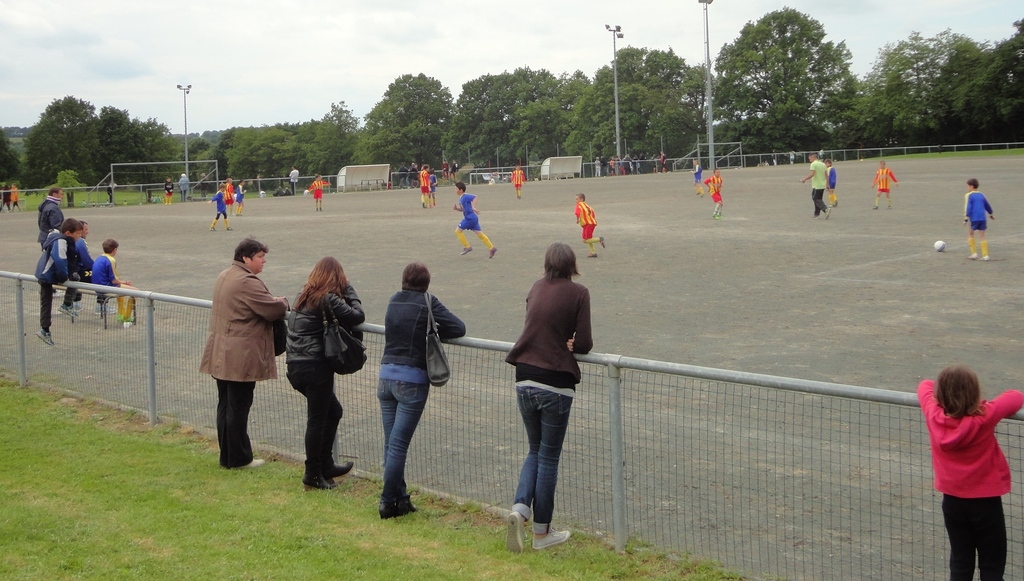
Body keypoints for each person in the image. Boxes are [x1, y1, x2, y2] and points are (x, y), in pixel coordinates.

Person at [504, 242, 592, 552]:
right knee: (549, 457)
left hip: (524, 376)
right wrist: (572, 344)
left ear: (547, 264)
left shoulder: (536, 287)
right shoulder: (579, 293)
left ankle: (519, 510)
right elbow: (585, 343)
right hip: (555, 381)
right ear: (572, 265)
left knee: (535, 450)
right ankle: (541, 534)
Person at [377, 262, 466, 518]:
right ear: (426, 283)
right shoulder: (427, 302)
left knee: (391, 444)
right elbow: (458, 328)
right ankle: (386, 502)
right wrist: (433, 328)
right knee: (398, 446)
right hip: (411, 380)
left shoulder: (393, 300)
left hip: (385, 376)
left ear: (404, 280)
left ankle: (401, 499)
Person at [918, 365, 1023, 580]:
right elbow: (1016, 396)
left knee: (960, 563)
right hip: (986, 503)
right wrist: (981, 405)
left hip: (952, 502)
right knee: (992, 566)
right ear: (974, 393)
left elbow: (924, 386)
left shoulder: (933, 414)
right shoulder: (984, 416)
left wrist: (941, 395)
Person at [200, 237, 289, 469]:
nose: (264, 261)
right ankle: (239, 459)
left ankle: (229, 457)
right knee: (238, 408)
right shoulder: (247, 281)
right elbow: (273, 309)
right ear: (246, 258)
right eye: (260, 257)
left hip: (222, 351)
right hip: (238, 355)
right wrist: (283, 301)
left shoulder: (225, 275)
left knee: (226, 405)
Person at [285, 257, 365, 491]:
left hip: (297, 365)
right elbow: (358, 315)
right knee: (317, 419)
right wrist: (348, 288)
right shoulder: (327, 298)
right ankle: (312, 474)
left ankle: (326, 464)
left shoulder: (304, 294)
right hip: (315, 367)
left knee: (333, 412)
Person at [35, 218, 84, 345]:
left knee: (46, 302)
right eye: (78, 234)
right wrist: (64, 278)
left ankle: (45, 329)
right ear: (68, 233)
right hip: (49, 275)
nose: (79, 236)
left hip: (44, 274)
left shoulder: (56, 238)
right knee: (75, 278)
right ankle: (67, 304)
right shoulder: (61, 241)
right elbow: (60, 260)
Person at [453, 181, 497, 258]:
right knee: (480, 235)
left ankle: (467, 247)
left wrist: (473, 206)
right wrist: (457, 209)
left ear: (461, 190)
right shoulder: (461, 198)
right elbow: (463, 209)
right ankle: (492, 248)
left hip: (469, 218)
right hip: (473, 218)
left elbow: (475, 197)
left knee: (457, 231)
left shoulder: (465, 196)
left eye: (456, 189)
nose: (455, 190)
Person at [964, 178, 995, 261]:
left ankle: (974, 254)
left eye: (968, 186)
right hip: (983, 218)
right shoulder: (981, 195)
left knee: (970, 233)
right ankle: (985, 255)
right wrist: (991, 213)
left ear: (971, 186)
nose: (967, 188)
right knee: (982, 236)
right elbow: (987, 205)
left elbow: (968, 207)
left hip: (974, 218)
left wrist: (966, 218)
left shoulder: (969, 195)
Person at [800, 152, 831, 219]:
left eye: (810, 158)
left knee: (815, 198)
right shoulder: (823, 164)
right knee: (818, 199)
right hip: (822, 185)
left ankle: (825, 209)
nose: (809, 160)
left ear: (813, 157)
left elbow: (812, 174)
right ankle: (816, 214)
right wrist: (827, 184)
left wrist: (804, 179)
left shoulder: (813, 164)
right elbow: (826, 175)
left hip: (817, 185)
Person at [574, 193, 605, 258]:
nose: (576, 200)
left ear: (581, 199)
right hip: (591, 223)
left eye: (577, 199)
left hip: (588, 224)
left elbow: (577, 213)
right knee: (588, 238)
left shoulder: (579, 205)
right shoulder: (587, 205)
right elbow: (593, 213)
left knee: (585, 240)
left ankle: (599, 239)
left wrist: (577, 220)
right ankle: (593, 252)